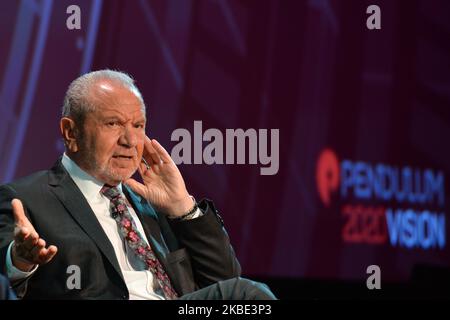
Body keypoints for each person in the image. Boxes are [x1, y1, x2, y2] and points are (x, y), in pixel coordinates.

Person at [0, 70, 276, 300]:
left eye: (138, 125)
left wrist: (183, 209)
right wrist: (21, 260)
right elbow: (7, 268)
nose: (130, 141)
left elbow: (224, 282)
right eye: (113, 124)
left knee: (246, 297)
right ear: (71, 132)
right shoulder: (25, 199)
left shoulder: (152, 204)